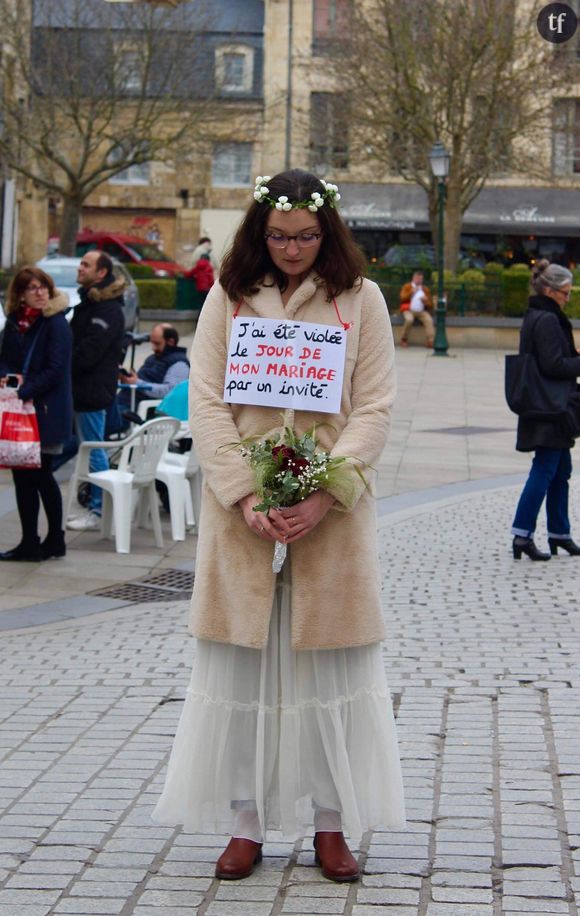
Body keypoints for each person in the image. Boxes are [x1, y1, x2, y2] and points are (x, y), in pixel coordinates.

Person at [153, 169, 405, 882]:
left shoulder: (363, 301)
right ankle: (245, 822)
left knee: (328, 665)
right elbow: (205, 402)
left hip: (331, 511)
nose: (292, 249)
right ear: (260, 233)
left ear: (327, 234)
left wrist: (326, 491)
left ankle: (332, 823)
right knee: (244, 664)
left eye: (305, 236)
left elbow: (375, 405)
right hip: (245, 517)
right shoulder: (228, 299)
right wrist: (243, 495)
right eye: (279, 236)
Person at [0, 267, 72, 561]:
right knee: (22, 477)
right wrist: (6, 377)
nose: (40, 292)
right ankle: (29, 541)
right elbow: (4, 358)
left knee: (43, 475)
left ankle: (56, 538)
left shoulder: (56, 324)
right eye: (32, 287)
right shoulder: (16, 324)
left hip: (46, 412)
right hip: (21, 411)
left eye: (44, 286)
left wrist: (23, 390)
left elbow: (56, 370)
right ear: (20, 294)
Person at [511, 260, 580, 561]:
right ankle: (522, 534)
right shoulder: (548, 319)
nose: (568, 298)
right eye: (565, 293)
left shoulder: (537, 314)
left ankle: (559, 533)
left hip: (545, 406)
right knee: (545, 469)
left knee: (560, 470)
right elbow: (553, 364)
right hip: (550, 408)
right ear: (551, 291)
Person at [66, 251, 126, 532]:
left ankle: (98, 509)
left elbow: (89, 351)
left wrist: (64, 365)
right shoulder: (90, 302)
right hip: (85, 388)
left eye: (85, 264)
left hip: (91, 390)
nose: (80, 268)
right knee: (85, 446)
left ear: (101, 273)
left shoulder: (107, 309)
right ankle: (95, 504)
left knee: (93, 448)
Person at [116, 323, 189, 428]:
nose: (153, 348)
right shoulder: (154, 358)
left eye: (157, 343)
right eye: (152, 343)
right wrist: (127, 379)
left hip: (137, 412)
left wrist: (137, 383)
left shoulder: (179, 363)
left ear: (171, 342)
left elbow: (169, 391)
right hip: (126, 403)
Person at [399, 270, 434, 348]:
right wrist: (411, 292)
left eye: (421, 279)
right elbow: (402, 298)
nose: (419, 281)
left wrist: (426, 301)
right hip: (408, 309)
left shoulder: (425, 289)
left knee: (429, 320)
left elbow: (430, 304)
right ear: (413, 278)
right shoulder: (407, 286)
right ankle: (403, 339)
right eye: (417, 279)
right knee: (409, 319)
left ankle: (430, 340)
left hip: (421, 311)